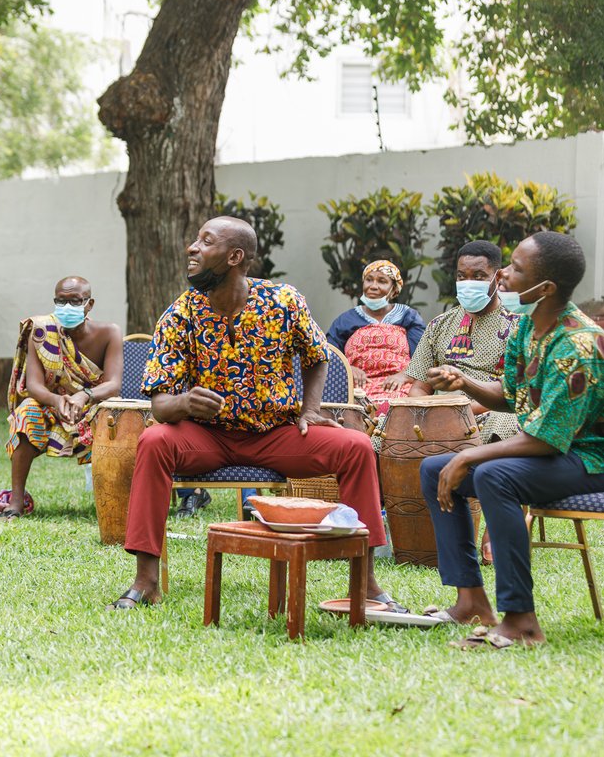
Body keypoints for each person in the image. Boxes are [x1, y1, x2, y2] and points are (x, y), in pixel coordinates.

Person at [108, 217, 400, 611]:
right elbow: (161, 406)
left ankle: (364, 582)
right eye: (195, 239)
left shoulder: (283, 301)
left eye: (205, 241)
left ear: (235, 257)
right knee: (155, 440)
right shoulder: (181, 313)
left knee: (357, 446)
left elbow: (318, 356)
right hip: (206, 438)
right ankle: (146, 581)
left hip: (275, 436)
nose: (191, 248)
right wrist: (185, 403)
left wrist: (311, 410)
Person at [420, 232, 604, 648]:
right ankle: (470, 599)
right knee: (434, 465)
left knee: (494, 476)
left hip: (601, 462)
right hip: (561, 453)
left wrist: (470, 456)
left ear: (546, 289)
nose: (502, 274)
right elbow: (512, 395)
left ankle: (521, 620)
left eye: (516, 269)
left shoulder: (579, 343)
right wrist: (465, 380)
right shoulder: (529, 327)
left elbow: (545, 439)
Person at [405, 240, 520, 564]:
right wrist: (429, 412)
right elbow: (419, 385)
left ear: (497, 277)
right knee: (384, 433)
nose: (468, 282)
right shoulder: (440, 325)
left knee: (508, 424)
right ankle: (400, 528)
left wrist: (464, 409)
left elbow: (513, 391)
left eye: (478, 275)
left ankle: (494, 532)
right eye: (461, 275)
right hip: (438, 415)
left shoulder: (517, 325)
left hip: (491, 410)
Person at [5, 277, 123, 517]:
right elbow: (33, 385)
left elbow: (113, 385)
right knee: (27, 410)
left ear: (89, 304)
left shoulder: (109, 332)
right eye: (61, 301)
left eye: (75, 301)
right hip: (53, 406)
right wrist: (57, 401)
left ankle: (115, 501)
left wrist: (83, 396)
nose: (67, 308)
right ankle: (15, 502)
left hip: (92, 408)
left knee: (115, 419)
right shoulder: (40, 331)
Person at [326, 260, 426, 410]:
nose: (373, 286)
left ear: (394, 290)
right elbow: (328, 353)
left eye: (382, 281)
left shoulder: (408, 317)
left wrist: (404, 376)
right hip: (357, 387)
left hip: (398, 386)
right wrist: (347, 368)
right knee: (350, 410)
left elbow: (423, 357)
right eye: (369, 280)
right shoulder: (346, 320)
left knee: (400, 408)